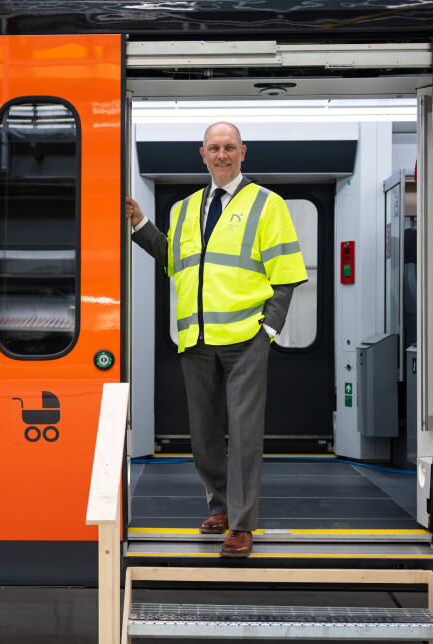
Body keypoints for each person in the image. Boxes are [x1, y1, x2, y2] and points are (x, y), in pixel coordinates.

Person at [125, 122, 308, 557]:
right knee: (202, 433)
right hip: (196, 339)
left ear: (243, 152)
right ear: (201, 154)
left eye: (229, 147)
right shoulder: (185, 208)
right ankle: (221, 505)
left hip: (247, 337)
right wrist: (140, 224)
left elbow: (286, 275)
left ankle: (242, 524)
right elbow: (175, 260)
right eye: (214, 148)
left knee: (244, 432)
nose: (222, 154)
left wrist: (269, 329)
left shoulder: (269, 204)